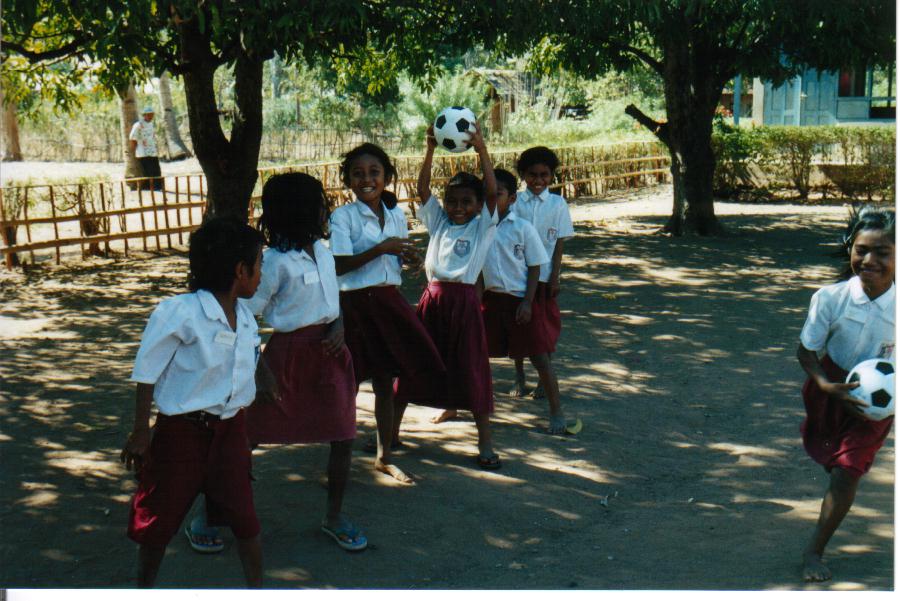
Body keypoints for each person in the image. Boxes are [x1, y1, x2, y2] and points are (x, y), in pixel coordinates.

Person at [120, 217, 270, 588]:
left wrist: (266, 377)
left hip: (231, 434)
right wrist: (142, 430)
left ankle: (258, 590)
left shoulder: (245, 316)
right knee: (158, 522)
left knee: (246, 521)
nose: (262, 273)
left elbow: (248, 354)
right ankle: (144, 589)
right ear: (241, 270)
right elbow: (147, 372)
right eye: (260, 265)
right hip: (181, 435)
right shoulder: (180, 313)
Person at [244, 172, 366, 551]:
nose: (324, 209)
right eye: (318, 203)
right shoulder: (274, 262)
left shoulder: (325, 252)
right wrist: (259, 370)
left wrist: (340, 325)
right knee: (245, 437)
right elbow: (244, 317)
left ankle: (334, 516)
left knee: (343, 435)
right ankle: (214, 512)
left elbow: (334, 302)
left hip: (330, 355)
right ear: (298, 210)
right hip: (286, 358)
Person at [330, 143, 445, 485]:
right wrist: (381, 248)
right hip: (353, 306)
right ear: (348, 180)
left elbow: (397, 254)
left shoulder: (394, 213)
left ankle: (384, 456)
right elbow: (339, 265)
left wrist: (405, 259)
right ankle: (338, 465)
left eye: (374, 172)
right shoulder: (343, 217)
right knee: (347, 385)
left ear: (387, 177)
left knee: (385, 382)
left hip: (387, 302)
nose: (367, 179)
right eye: (358, 174)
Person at [394, 123, 501, 470]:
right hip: (432, 301)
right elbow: (423, 189)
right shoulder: (439, 223)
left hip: (465, 303)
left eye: (466, 202)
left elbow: (490, 189)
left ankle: (485, 444)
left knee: (472, 369)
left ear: (479, 204)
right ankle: (390, 433)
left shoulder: (483, 224)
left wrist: (481, 149)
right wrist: (429, 149)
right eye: (452, 201)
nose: (457, 207)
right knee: (411, 363)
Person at [797, 205, 895, 583]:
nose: (868, 260)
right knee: (831, 461)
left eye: (882, 252)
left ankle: (814, 550)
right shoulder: (830, 298)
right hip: (830, 387)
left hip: (877, 405)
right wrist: (823, 383)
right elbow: (806, 350)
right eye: (861, 250)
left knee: (846, 472)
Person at [510, 146, 574, 401]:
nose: (538, 180)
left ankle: (541, 378)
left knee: (544, 329)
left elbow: (558, 243)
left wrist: (555, 276)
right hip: (517, 277)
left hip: (545, 278)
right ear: (523, 175)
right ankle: (518, 375)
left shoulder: (558, 204)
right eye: (532, 175)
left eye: (544, 175)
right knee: (516, 327)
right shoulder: (515, 202)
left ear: (552, 175)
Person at [129, 106, 164, 192]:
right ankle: (148, 187)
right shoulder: (138, 125)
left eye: (152, 115)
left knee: (156, 169)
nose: (150, 116)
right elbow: (133, 138)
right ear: (144, 115)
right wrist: (132, 151)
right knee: (147, 170)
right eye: (148, 115)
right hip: (143, 152)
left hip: (152, 151)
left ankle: (157, 186)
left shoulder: (151, 124)